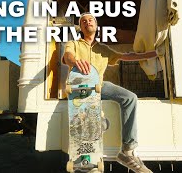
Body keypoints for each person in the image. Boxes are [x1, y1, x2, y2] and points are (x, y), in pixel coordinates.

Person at [62, 12, 156, 173]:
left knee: (130, 98)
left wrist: (153, 54)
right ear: (81, 27)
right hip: (81, 86)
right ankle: (88, 159)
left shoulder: (104, 49)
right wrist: (75, 61)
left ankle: (127, 150)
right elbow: (67, 56)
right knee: (99, 123)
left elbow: (126, 56)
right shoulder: (74, 44)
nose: (87, 22)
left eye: (90, 20)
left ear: (96, 25)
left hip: (100, 84)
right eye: (83, 21)